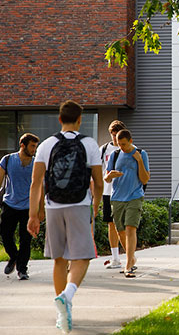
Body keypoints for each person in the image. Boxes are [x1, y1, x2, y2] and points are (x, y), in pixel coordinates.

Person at [27, 100, 103, 333]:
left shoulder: (46, 145)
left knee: (59, 259)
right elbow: (98, 183)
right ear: (80, 120)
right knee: (83, 256)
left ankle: (62, 313)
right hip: (79, 205)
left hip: (53, 206)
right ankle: (68, 296)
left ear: (59, 119)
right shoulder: (89, 144)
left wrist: (33, 215)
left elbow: (36, 183)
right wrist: (96, 205)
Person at [104, 129, 150, 278]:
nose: (121, 147)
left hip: (135, 196)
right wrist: (110, 175)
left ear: (130, 141)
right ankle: (132, 257)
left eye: (123, 144)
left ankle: (128, 265)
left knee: (131, 228)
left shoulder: (141, 154)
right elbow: (107, 178)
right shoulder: (115, 155)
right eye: (119, 144)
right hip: (117, 197)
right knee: (120, 230)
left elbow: (145, 179)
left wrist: (139, 161)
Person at [0, 133, 40, 280]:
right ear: (22, 145)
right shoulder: (8, 160)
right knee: (5, 234)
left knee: (26, 240)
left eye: (35, 147)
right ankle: (14, 257)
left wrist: (40, 209)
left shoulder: (37, 163)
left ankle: (22, 269)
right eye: (32, 146)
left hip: (28, 207)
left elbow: (41, 187)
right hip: (9, 204)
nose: (34, 149)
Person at [100, 120, 127, 269]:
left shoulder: (130, 149)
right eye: (113, 134)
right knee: (111, 224)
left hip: (125, 192)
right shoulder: (104, 150)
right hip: (107, 192)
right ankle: (115, 258)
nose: (115, 138)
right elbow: (97, 171)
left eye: (117, 134)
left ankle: (129, 255)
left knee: (124, 226)